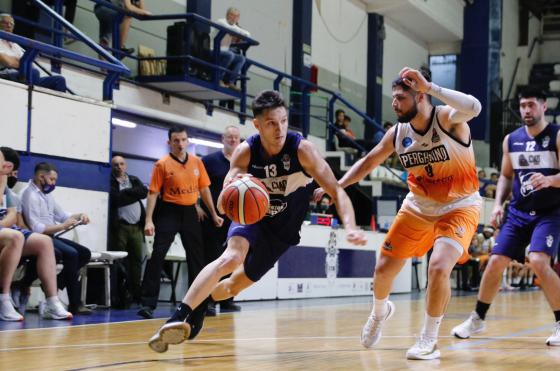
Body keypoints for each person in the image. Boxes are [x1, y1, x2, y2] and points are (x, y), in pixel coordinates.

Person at [147, 90, 366, 353]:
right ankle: (177, 317)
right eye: (272, 123)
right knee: (230, 258)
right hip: (252, 217)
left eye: (283, 121)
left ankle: (202, 305)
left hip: (282, 231)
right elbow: (221, 204)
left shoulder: (303, 151)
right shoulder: (245, 152)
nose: (280, 128)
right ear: (257, 124)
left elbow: (337, 192)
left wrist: (351, 226)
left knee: (231, 286)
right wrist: (233, 190)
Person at [316, 66, 482, 360]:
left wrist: (431, 87)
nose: (394, 103)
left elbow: (475, 107)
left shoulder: (447, 118)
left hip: (459, 206)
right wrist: (337, 186)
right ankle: (380, 313)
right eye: (393, 98)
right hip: (418, 206)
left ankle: (429, 340)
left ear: (420, 96)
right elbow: (368, 162)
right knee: (382, 270)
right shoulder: (398, 134)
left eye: (400, 98)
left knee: (439, 267)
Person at [451, 89, 560, 346]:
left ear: (543, 106)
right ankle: (477, 318)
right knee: (496, 261)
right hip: (518, 213)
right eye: (522, 105)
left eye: (531, 104)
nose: (526, 110)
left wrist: (550, 179)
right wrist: (498, 204)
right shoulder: (511, 140)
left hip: (549, 213)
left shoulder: (556, 135)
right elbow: (505, 176)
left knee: (538, 261)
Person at [137, 126, 223, 319]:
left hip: (190, 212)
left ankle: (200, 302)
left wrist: (214, 213)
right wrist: (148, 220)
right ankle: (147, 303)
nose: (180, 144)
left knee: (197, 259)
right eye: (176, 140)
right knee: (157, 255)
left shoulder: (196, 162)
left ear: (188, 141)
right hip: (168, 212)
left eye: (183, 140)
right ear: (169, 142)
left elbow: (205, 190)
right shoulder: (162, 164)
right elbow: (153, 193)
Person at [0, 148, 72, 320]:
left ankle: (52, 302)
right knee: (16, 237)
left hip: (3, 228)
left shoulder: (6, 189)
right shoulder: (10, 186)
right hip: (8, 233)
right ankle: (4, 298)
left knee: (44, 242)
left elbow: (11, 214)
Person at [20, 162, 92, 315]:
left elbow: (62, 215)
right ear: (41, 177)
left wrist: (79, 215)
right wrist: (62, 226)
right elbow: (35, 227)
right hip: (38, 238)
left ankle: (58, 282)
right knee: (72, 254)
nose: (54, 183)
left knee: (85, 253)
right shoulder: (29, 195)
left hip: (50, 235)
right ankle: (74, 303)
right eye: (52, 180)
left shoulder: (47, 195)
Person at [199, 126, 242, 315]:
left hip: (235, 219)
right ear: (222, 139)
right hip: (211, 219)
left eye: (236, 137)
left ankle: (226, 299)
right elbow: (196, 185)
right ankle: (207, 301)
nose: (232, 140)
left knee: (233, 258)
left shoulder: (244, 162)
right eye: (229, 137)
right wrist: (196, 206)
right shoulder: (208, 161)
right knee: (212, 260)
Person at [109, 155, 147, 305]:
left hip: (137, 227)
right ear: (112, 167)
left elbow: (144, 192)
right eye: (116, 164)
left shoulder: (133, 179)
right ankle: (120, 295)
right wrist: (132, 193)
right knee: (120, 261)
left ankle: (136, 293)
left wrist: (125, 194)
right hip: (121, 227)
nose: (119, 167)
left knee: (136, 261)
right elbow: (115, 199)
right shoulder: (111, 182)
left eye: (122, 164)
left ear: (126, 165)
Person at [0, 13, 67, 92]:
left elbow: (30, 65)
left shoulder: (16, 45)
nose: (9, 26)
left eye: (11, 24)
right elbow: (8, 62)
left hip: (22, 75)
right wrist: (22, 62)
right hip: (5, 75)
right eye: (5, 22)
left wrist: (17, 62)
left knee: (59, 80)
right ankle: (30, 101)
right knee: (33, 73)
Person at [215, 7, 250, 88]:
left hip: (225, 51)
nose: (234, 18)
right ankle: (218, 78)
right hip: (214, 49)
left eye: (236, 16)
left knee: (241, 58)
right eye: (232, 15)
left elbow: (247, 34)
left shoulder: (235, 27)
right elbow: (229, 28)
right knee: (230, 55)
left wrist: (239, 31)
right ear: (227, 15)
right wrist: (239, 31)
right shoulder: (220, 21)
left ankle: (230, 82)